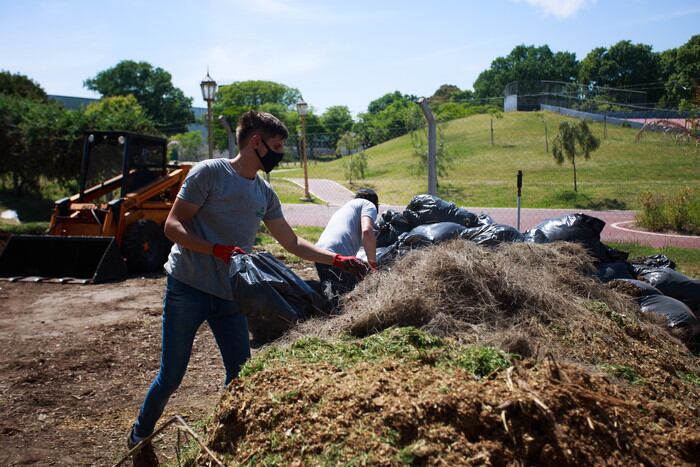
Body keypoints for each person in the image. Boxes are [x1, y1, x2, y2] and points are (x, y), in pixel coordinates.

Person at [126, 110, 368, 461]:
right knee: (173, 374)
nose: (279, 152)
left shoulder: (264, 192)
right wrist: (216, 250)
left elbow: (292, 242)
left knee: (239, 373)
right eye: (277, 145)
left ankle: (223, 437)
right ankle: (140, 433)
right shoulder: (210, 173)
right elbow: (173, 227)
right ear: (256, 142)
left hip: (230, 294)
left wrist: (338, 260)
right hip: (188, 287)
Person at [315, 188, 379, 308]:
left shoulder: (346, 208)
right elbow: (367, 230)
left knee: (332, 296)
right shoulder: (368, 205)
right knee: (345, 298)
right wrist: (372, 263)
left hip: (319, 253)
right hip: (339, 253)